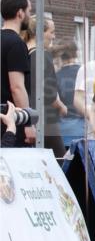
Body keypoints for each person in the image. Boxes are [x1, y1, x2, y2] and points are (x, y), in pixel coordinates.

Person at [26, 16, 67, 157]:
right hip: (46, 120)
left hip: (28, 117)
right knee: (60, 161)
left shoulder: (24, 53)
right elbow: (49, 93)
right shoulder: (43, 55)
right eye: (51, 32)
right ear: (39, 32)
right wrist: (61, 106)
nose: (54, 36)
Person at [1, 0, 35, 147]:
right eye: (29, 11)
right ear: (20, 13)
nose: (30, 15)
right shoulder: (16, 43)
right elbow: (17, 87)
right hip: (10, 122)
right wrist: (28, 123)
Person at [56, 42, 85, 148]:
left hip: (63, 129)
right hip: (84, 129)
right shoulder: (85, 72)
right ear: (76, 53)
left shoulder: (56, 76)